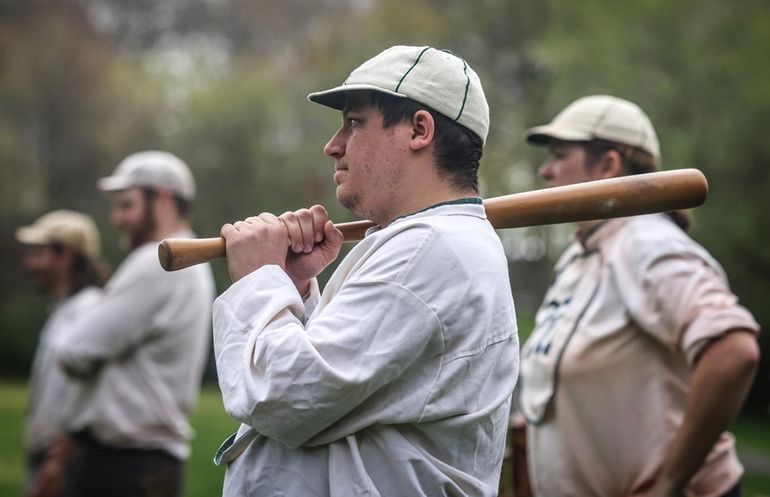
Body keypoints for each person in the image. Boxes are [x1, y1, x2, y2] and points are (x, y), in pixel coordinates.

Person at [212, 45, 519, 496]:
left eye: (354, 123)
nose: (332, 146)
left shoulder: (430, 247)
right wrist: (291, 288)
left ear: (419, 130)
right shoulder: (426, 241)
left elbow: (284, 397)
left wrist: (258, 278)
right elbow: (347, 392)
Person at [516, 95, 761, 497]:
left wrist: (670, 482)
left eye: (560, 156)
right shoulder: (583, 254)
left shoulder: (646, 243)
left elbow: (733, 350)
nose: (546, 171)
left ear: (609, 165)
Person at [53, 151, 216, 497]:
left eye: (126, 205)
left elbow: (73, 351)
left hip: (125, 468)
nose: (117, 218)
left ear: (161, 198)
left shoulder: (158, 261)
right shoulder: (191, 262)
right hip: (143, 465)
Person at [16, 210, 107, 497]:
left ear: (66, 255)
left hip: (66, 462)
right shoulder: (64, 310)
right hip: (47, 456)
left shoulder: (90, 310)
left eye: (40, 253)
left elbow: (87, 392)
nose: (31, 263)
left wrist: (56, 462)